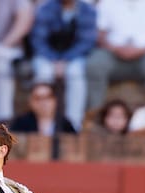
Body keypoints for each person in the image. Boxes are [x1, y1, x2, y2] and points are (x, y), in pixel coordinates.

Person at [85, 0, 145, 111]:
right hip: (113, 54)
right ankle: (94, 113)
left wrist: (141, 50)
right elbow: (99, 33)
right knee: (95, 64)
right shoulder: (107, 2)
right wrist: (116, 48)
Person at [30, 0, 97, 131]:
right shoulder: (45, 8)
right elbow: (38, 40)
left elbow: (86, 41)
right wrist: (54, 59)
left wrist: (65, 60)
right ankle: (43, 123)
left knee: (75, 74)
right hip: (47, 56)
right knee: (44, 73)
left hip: (74, 57)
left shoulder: (87, 10)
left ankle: (73, 124)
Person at [9, 82, 76, 135]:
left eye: (47, 97)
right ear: (31, 102)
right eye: (38, 98)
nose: (43, 102)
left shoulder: (65, 124)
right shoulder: (21, 124)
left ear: (54, 100)